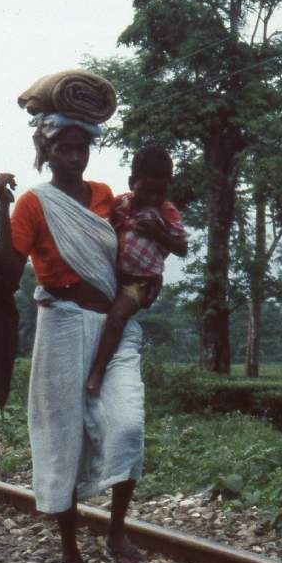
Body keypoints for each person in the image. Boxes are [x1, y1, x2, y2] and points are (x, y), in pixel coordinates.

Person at [0, 110, 146, 563]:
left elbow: (140, 238)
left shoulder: (104, 197)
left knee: (127, 426)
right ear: (46, 152)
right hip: (60, 324)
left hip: (112, 329)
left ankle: (116, 530)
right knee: (62, 438)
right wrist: (2, 204)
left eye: (82, 148)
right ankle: (70, 552)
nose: (75, 157)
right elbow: (6, 267)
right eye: (64, 149)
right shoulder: (34, 205)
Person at [86, 145, 187, 398]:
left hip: (140, 283)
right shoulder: (120, 204)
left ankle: (98, 371)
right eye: (147, 189)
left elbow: (182, 247)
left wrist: (158, 233)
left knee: (117, 317)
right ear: (132, 182)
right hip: (112, 275)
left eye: (160, 190)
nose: (153, 196)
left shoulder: (168, 213)